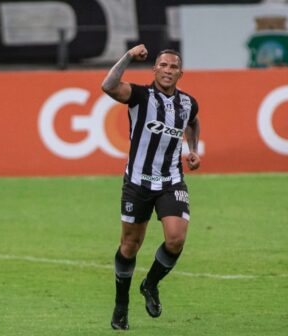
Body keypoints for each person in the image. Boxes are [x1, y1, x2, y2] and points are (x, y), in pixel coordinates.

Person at [101, 44, 201, 330]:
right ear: (154, 70)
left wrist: (193, 150)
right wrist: (129, 56)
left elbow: (192, 122)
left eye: (173, 67)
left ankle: (150, 285)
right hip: (138, 183)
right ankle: (121, 305)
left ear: (181, 73)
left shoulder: (187, 102)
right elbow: (108, 85)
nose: (168, 70)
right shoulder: (140, 95)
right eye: (163, 66)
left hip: (171, 180)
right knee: (130, 246)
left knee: (176, 240)